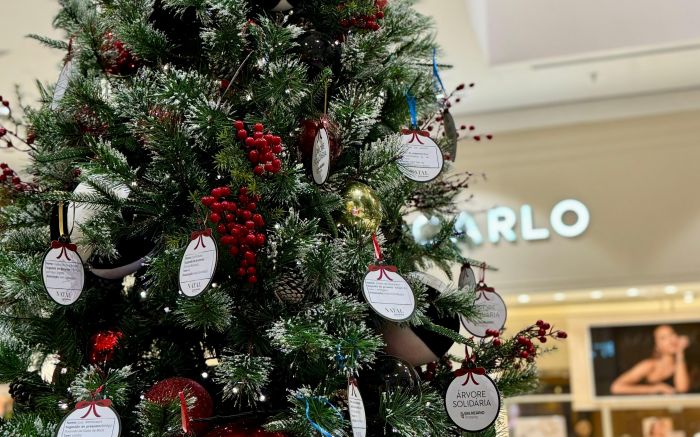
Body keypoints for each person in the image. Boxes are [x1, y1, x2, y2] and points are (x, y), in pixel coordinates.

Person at [610, 325, 690, 395]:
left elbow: (682, 390)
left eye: (672, 334)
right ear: (656, 346)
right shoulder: (649, 365)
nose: (670, 340)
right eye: (663, 338)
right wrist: (655, 389)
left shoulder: (681, 365)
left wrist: (680, 353)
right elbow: (616, 387)